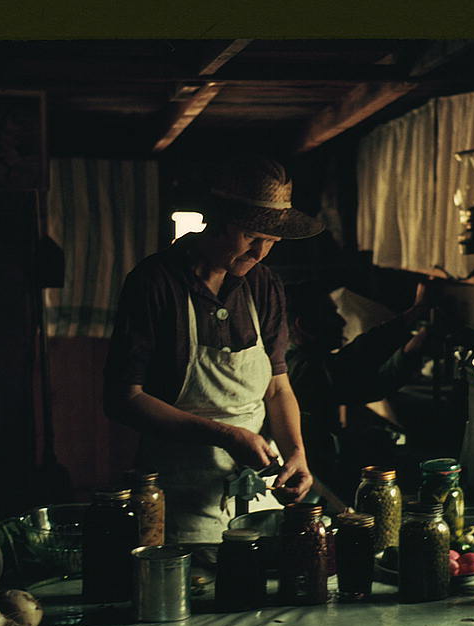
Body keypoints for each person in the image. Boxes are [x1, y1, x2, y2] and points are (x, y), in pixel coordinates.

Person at [104, 154, 323, 544]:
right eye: (251, 237)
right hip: (174, 495)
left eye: (270, 242)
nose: (259, 254)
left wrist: (296, 454)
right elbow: (124, 398)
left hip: (253, 492)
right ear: (217, 222)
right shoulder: (155, 284)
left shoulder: (264, 285)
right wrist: (226, 435)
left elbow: (277, 387)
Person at [284, 280, 435, 499]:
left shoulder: (299, 359)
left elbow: (362, 374)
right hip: (310, 481)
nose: (341, 321)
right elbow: (357, 361)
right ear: (302, 325)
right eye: (330, 314)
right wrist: (413, 318)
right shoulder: (301, 368)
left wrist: (412, 346)